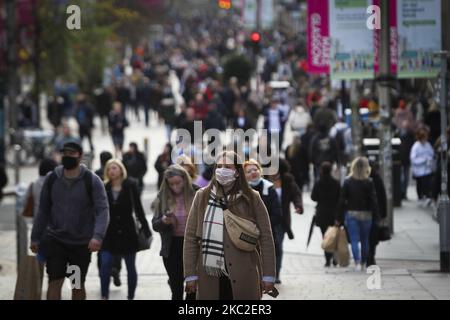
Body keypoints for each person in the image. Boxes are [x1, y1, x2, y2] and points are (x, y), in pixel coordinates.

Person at [184, 151, 276, 300]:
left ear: (238, 172)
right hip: (210, 276)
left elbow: (266, 238)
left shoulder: (252, 198)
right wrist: (190, 275)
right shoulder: (202, 197)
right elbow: (190, 239)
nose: (222, 170)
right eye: (219, 166)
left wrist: (269, 276)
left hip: (245, 273)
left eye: (228, 166)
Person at [30, 142, 110, 300]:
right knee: (55, 281)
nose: (67, 156)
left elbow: (103, 210)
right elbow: (43, 210)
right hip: (55, 240)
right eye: (64, 153)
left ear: (80, 156)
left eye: (71, 153)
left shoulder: (91, 180)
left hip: (79, 243)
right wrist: (35, 237)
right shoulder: (52, 179)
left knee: (76, 283)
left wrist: (97, 236)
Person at [100, 159, 151, 300]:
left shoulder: (130, 185)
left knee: (130, 266)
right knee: (105, 264)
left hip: (128, 232)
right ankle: (104, 296)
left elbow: (138, 209)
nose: (111, 171)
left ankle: (130, 296)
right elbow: (99, 211)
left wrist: (146, 229)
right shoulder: (104, 187)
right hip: (109, 233)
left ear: (121, 170)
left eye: (114, 168)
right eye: (109, 169)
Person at [152, 165, 197, 300]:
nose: (175, 186)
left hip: (193, 246)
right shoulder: (163, 196)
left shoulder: (197, 193)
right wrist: (164, 221)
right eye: (171, 184)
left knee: (192, 289)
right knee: (176, 289)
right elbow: (155, 225)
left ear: (185, 180)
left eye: (178, 182)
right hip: (172, 248)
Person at [336, 157, 379, 271]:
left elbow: (341, 200)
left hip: (352, 213)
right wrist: (377, 216)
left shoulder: (348, 181)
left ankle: (357, 262)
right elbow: (373, 200)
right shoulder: (369, 182)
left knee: (354, 239)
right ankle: (364, 262)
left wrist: (338, 217)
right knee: (365, 240)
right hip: (366, 214)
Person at [244, 159, 283, 277]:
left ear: (260, 171)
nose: (253, 172)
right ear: (244, 175)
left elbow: (277, 214)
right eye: (249, 171)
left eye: (255, 169)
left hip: (267, 232)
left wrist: (262, 225)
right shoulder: (242, 191)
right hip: (248, 233)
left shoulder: (269, 189)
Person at [266, 159, 303, 283]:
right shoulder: (262, 180)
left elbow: (296, 194)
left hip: (281, 220)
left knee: (278, 247)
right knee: (265, 247)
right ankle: (264, 273)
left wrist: (298, 206)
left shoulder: (287, 180)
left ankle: (276, 274)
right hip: (266, 219)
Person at [311, 162, 340, 267]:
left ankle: (327, 259)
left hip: (322, 214)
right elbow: (340, 198)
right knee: (334, 236)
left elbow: (313, 197)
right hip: (334, 214)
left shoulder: (318, 183)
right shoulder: (336, 183)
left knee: (325, 236)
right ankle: (335, 258)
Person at [368, 161, 387, 267]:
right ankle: (371, 256)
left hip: (368, 211)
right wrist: (383, 213)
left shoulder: (364, 178)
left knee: (368, 236)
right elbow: (383, 197)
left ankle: (369, 256)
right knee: (373, 236)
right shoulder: (377, 178)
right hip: (376, 212)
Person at [410, 128, 435, 206]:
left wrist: (429, 159)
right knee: (420, 184)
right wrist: (423, 160)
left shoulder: (428, 145)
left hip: (427, 169)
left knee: (427, 184)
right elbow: (413, 159)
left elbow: (432, 154)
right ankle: (420, 197)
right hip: (419, 170)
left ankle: (427, 197)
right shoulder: (416, 146)